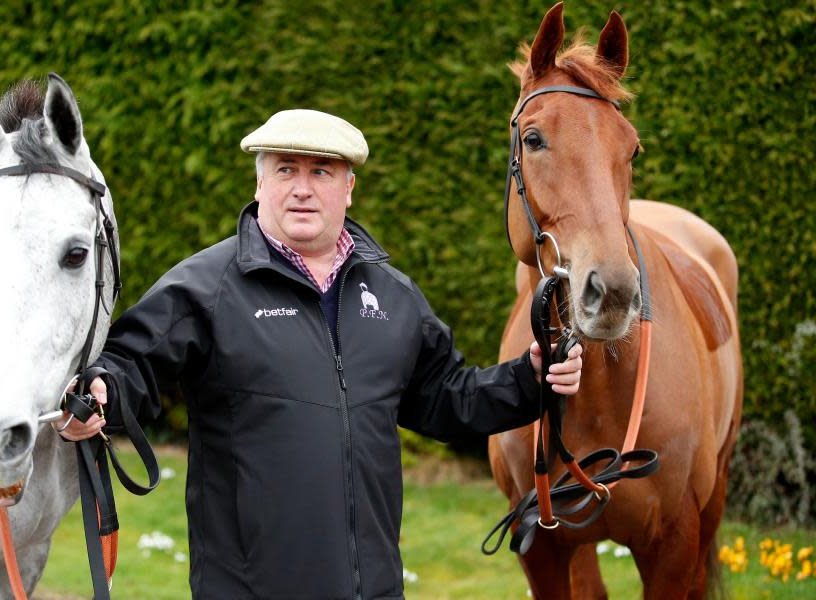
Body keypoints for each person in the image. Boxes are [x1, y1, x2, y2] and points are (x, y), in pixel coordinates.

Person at [58, 109, 583, 599]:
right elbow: (132, 362)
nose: (303, 190)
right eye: (286, 170)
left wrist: (527, 378)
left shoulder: (394, 296)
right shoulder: (206, 287)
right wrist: (101, 392)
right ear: (260, 183)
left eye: (323, 172)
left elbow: (447, 397)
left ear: (349, 188)